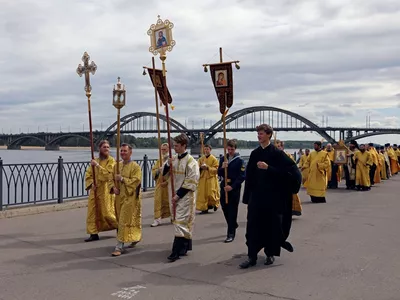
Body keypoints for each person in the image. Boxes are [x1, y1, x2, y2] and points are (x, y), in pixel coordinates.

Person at [240, 124, 302, 269]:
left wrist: (269, 168)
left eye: (261, 133)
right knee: (253, 226)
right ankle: (252, 256)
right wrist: (247, 197)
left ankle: (270, 253)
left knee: (271, 226)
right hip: (256, 197)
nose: (258, 136)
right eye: (258, 134)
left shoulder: (277, 154)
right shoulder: (255, 153)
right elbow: (249, 176)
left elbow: (291, 174)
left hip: (273, 198)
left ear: (269, 135)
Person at [162, 133, 200, 262]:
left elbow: (191, 181)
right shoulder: (174, 159)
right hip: (173, 194)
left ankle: (175, 251)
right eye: (174, 145)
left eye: (177, 146)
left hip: (185, 196)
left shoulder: (191, 162)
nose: (174, 148)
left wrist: (178, 195)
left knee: (180, 222)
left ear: (184, 146)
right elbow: (163, 175)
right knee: (178, 220)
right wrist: (167, 165)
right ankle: (185, 246)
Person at [111, 143, 142, 256]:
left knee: (124, 220)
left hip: (130, 198)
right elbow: (111, 178)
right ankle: (134, 237)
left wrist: (123, 179)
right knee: (120, 220)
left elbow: (136, 181)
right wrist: (113, 187)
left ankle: (119, 246)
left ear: (130, 152)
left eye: (125, 151)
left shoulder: (135, 167)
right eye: (121, 151)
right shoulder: (116, 166)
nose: (123, 153)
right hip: (119, 198)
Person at [84, 140, 118, 242]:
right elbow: (88, 174)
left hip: (106, 189)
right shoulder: (95, 160)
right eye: (104, 147)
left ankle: (119, 226)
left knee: (107, 211)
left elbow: (108, 174)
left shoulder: (111, 161)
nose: (106, 149)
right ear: (100, 149)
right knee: (92, 211)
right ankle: (93, 233)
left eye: (108, 147)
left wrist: (98, 166)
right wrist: (91, 184)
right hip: (95, 190)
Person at [218, 139, 246, 243]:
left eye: (232, 149)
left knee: (232, 210)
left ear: (235, 149)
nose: (230, 151)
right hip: (224, 186)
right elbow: (219, 173)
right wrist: (222, 167)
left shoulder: (240, 160)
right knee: (224, 206)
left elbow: (242, 176)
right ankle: (233, 223)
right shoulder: (223, 159)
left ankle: (230, 233)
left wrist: (233, 186)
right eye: (228, 149)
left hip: (234, 188)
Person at [277, 140, 302, 216]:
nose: (277, 148)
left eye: (279, 146)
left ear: (282, 147)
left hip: (287, 180)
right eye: (276, 147)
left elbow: (293, 167)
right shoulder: (272, 155)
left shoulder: (287, 155)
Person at [151, 143, 171, 227]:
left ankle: (173, 216)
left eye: (164, 149)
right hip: (159, 184)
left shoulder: (171, 159)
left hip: (168, 185)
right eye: (162, 149)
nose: (163, 151)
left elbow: (174, 174)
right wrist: (158, 171)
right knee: (158, 201)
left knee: (170, 201)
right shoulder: (159, 160)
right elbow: (154, 171)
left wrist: (167, 182)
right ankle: (157, 219)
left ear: (168, 149)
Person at [196, 144, 220, 214]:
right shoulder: (201, 159)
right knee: (203, 194)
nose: (206, 151)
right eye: (205, 149)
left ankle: (215, 204)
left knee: (211, 193)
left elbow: (216, 169)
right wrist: (201, 168)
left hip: (211, 178)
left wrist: (208, 168)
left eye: (207, 149)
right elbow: (197, 168)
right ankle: (204, 208)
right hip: (203, 178)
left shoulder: (214, 159)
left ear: (210, 150)